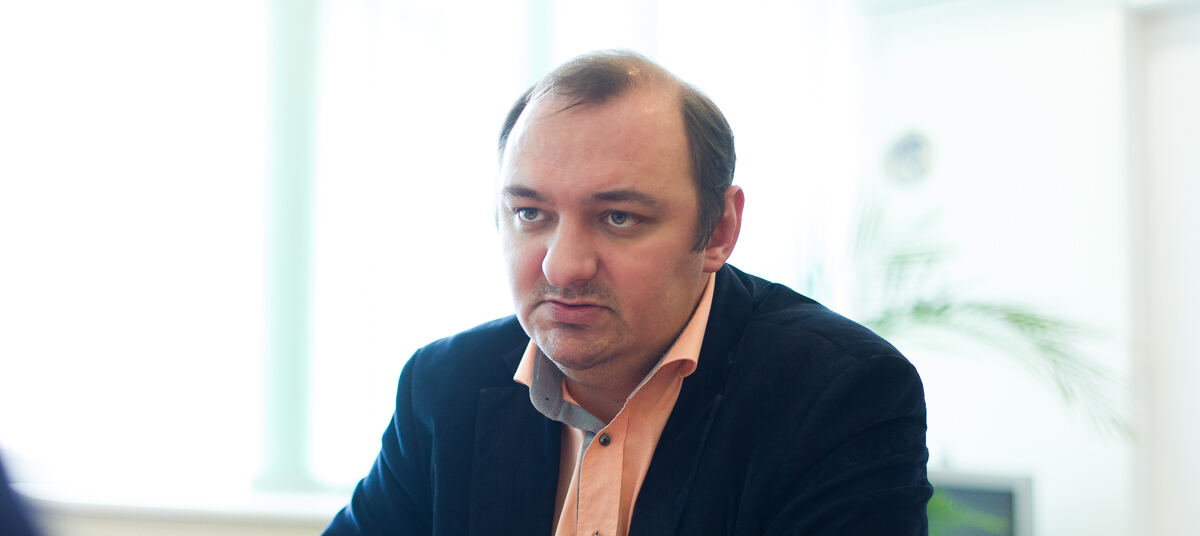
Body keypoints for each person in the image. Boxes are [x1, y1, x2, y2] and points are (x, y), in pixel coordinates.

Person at [323, 50, 931, 536]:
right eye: (531, 213)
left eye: (618, 218)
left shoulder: (838, 393)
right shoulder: (444, 385)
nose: (563, 266)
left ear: (719, 230)